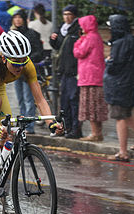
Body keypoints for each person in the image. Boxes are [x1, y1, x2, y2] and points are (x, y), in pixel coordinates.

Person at [0, 30, 61, 214]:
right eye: (16, 62)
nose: (20, 66)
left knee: (9, 141)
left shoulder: (26, 64)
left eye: (23, 61)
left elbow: (39, 100)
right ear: (5, 58)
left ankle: (3, 194)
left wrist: (51, 123)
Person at [103, 15, 134, 162]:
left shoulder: (119, 44)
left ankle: (123, 152)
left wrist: (108, 62)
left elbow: (114, 66)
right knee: (128, 115)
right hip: (129, 83)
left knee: (120, 117)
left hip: (118, 85)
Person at [73, 15, 108, 142]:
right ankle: (98, 133)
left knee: (91, 107)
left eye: (82, 25)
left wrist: (78, 41)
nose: (81, 28)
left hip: (89, 77)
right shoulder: (96, 36)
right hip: (95, 76)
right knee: (96, 107)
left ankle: (95, 133)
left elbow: (78, 52)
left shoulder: (89, 38)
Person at [50, 4, 82, 139]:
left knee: (74, 101)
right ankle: (66, 127)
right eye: (65, 14)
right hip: (63, 70)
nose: (66, 17)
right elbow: (58, 47)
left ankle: (76, 129)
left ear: (74, 15)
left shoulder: (77, 30)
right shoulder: (61, 30)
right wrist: (53, 40)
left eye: (69, 14)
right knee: (64, 102)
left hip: (74, 71)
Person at [11, 9, 44, 134]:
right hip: (15, 72)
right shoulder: (12, 34)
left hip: (28, 71)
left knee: (29, 100)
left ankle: (29, 127)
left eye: (20, 17)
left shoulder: (32, 34)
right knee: (20, 99)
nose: (17, 20)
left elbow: (38, 52)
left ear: (24, 19)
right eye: (15, 17)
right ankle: (22, 125)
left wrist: (26, 59)